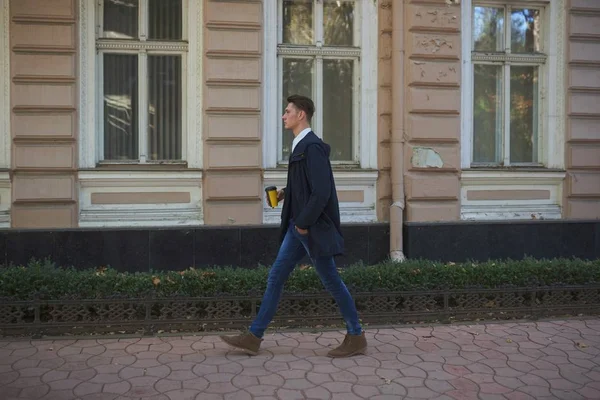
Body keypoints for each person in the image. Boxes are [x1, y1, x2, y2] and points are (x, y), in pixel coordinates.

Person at [219, 94, 367, 358]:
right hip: (298, 228)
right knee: (276, 277)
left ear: (301, 115)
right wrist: (287, 192)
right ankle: (254, 336)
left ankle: (356, 335)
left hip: (307, 228)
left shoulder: (311, 147)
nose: (283, 116)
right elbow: (309, 185)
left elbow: (321, 192)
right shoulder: (301, 146)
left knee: (331, 280)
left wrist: (302, 224)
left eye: (288, 111)